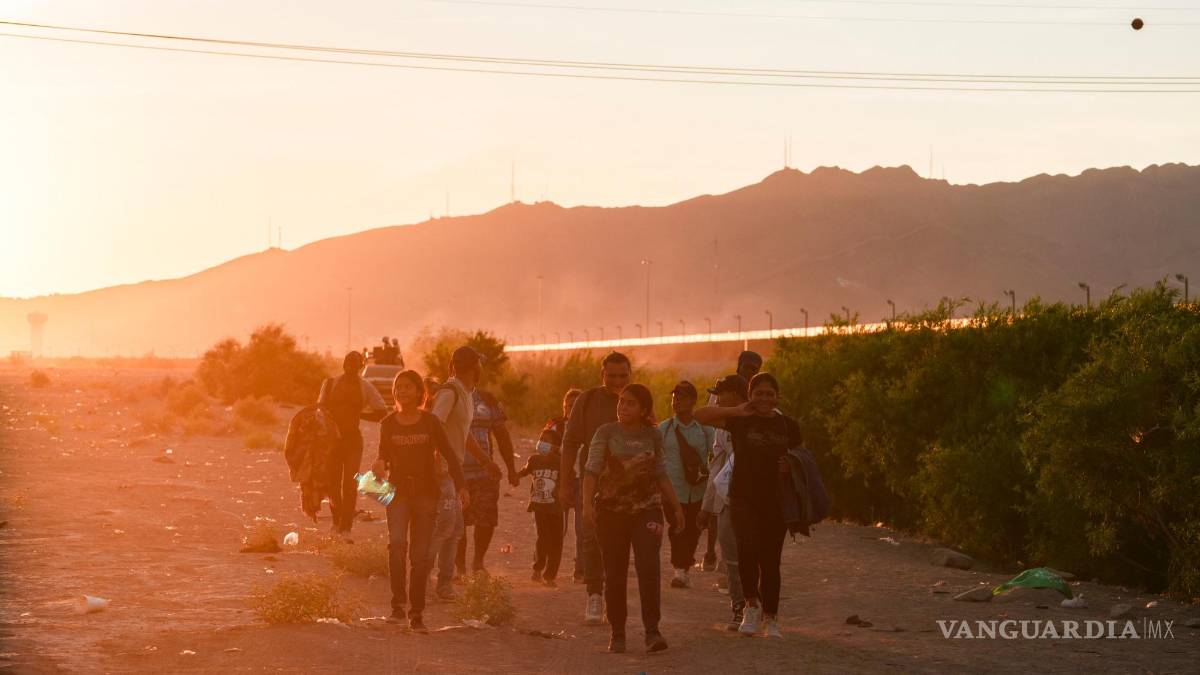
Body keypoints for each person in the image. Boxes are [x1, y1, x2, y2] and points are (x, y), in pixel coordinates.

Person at [695, 372, 799, 639]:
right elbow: (700, 415)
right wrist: (736, 410)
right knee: (747, 552)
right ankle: (751, 607)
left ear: (777, 397)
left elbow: (802, 457)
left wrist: (791, 466)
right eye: (758, 393)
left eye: (769, 394)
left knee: (771, 559)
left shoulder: (787, 425)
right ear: (750, 395)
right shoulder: (740, 421)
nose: (764, 398)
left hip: (775, 501)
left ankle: (771, 618)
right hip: (742, 498)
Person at [583, 384, 684, 654]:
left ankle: (652, 631)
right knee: (615, 573)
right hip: (610, 512)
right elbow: (591, 471)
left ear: (643, 410)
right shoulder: (606, 433)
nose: (623, 407)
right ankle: (618, 633)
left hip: (647, 510)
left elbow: (660, 472)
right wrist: (586, 506)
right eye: (622, 401)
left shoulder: (653, 435)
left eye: (630, 403)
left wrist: (676, 507)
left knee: (649, 569)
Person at [369, 371, 468, 630]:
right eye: (398, 387)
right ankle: (398, 607)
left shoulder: (430, 422)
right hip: (398, 494)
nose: (402, 391)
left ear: (418, 392)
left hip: (426, 494)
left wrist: (461, 486)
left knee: (420, 556)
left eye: (407, 387)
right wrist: (379, 465)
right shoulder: (388, 423)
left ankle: (417, 613)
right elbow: (383, 456)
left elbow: (449, 454)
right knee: (397, 545)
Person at [560, 351, 631, 624]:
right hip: (593, 482)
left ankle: (613, 594)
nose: (618, 381)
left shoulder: (638, 399)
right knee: (590, 538)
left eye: (623, 376)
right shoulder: (587, 401)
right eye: (612, 376)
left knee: (620, 541)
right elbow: (570, 443)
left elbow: (651, 440)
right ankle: (594, 595)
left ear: (630, 375)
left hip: (630, 486)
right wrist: (565, 484)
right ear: (602, 375)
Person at [426, 347, 503, 600]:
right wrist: (436, 463)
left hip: (453, 471)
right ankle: (422, 578)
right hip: (442, 471)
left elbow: (463, 433)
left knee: (455, 528)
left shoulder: (465, 394)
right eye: (479, 365)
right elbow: (433, 426)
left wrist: (485, 461)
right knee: (446, 526)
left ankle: (444, 585)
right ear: (474, 367)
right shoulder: (450, 392)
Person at [317, 351, 390, 540]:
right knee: (332, 484)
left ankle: (346, 529)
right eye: (348, 361)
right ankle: (336, 522)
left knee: (350, 484)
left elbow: (382, 412)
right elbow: (320, 410)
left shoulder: (365, 387)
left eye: (355, 362)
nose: (350, 365)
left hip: (353, 441)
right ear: (343, 364)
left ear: (361, 366)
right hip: (332, 441)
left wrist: (357, 415)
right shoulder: (329, 384)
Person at [700, 350, 762, 570]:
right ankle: (711, 552)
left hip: (744, 459)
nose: (750, 372)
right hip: (723, 452)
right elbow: (708, 417)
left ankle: (732, 562)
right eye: (747, 367)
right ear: (739, 366)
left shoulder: (758, 395)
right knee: (715, 502)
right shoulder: (724, 389)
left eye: (755, 369)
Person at [699, 374, 748, 630]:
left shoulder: (760, 418)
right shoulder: (722, 425)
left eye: (721, 394)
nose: (716, 399)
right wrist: (707, 506)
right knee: (730, 555)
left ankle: (756, 604)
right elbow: (716, 464)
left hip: (755, 496)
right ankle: (739, 607)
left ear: (735, 394)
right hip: (728, 494)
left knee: (754, 553)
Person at [658, 381, 715, 589]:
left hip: (698, 489)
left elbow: (716, 453)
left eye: (682, 397)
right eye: (675, 398)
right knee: (676, 527)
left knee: (693, 529)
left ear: (693, 401)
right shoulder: (664, 429)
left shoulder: (704, 429)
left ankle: (685, 567)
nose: (677, 402)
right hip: (672, 491)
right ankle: (679, 570)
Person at [457, 387, 519, 576]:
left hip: (485, 473)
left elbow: (502, 435)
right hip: (455, 473)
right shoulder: (447, 396)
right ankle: (460, 567)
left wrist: (511, 469)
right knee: (457, 522)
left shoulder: (487, 399)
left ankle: (478, 562)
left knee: (486, 518)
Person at [517, 401, 572, 586]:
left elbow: (569, 479)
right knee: (543, 539)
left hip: (556, 507)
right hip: (539, 506)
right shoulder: (534, 459)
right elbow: (524, 471)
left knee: (556, 542)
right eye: (541, 439)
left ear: (556, 446)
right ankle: (538, 567)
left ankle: (550, 576)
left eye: (546, 442)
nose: (541, 443)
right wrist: (514, 476)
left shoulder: (561, 461)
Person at [537, 389, 582, 582]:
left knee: (583, 529)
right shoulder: (556, 426)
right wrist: (561, 450)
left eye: (576, 405)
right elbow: (540, 447)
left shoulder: (588, 426)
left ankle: (580, 570)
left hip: (582, 480)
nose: (571, 409)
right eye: (568, 406)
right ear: (564, 408)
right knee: (555, 529)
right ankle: (541, 565)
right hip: (557, 481)